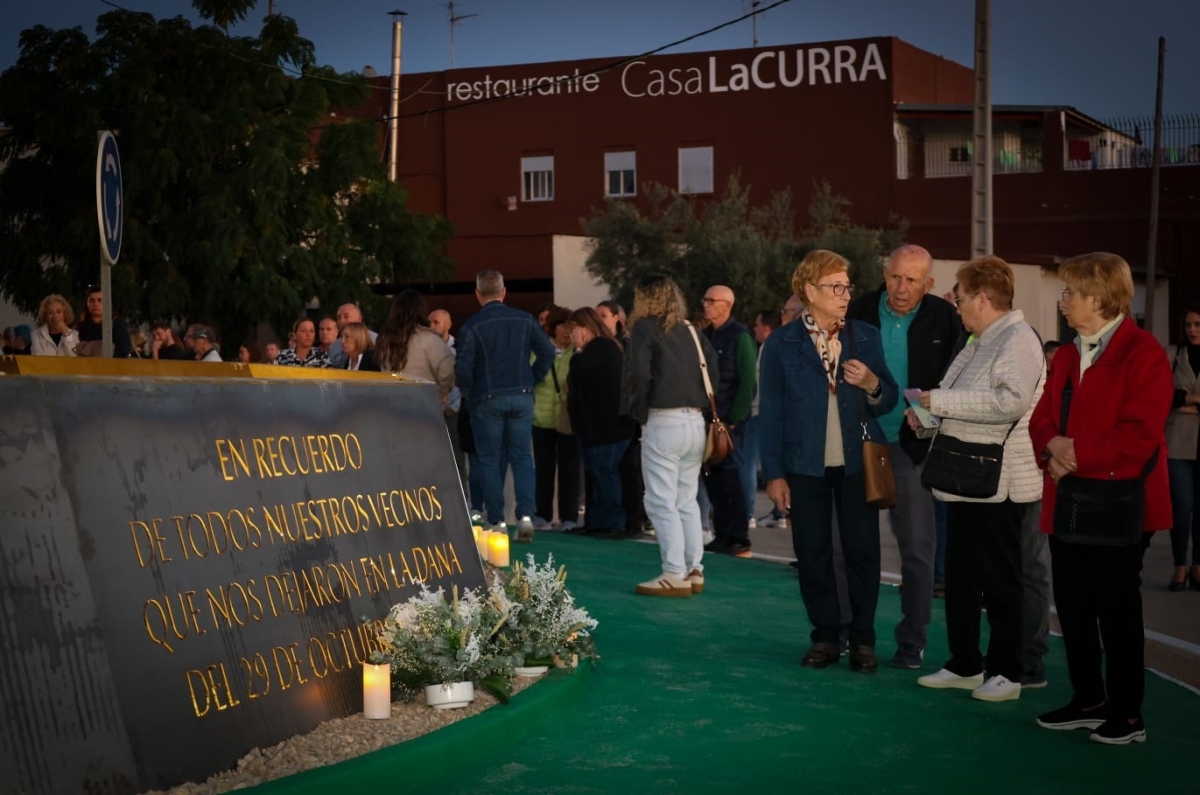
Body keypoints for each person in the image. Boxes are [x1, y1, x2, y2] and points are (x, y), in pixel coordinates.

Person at [1029, 252, 1173, 745]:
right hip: (1071, 499)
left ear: (1099, 296)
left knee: (1116, 609)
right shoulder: (1068, 355)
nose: (1063, 301)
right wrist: (1052, 446)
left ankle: (1128, 714)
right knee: (1072, 604)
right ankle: (1088, 699)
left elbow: (1141, 435)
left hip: (1122, 503)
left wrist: (1075, 454)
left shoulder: (1144, 353)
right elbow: (1040, 418)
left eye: (1070, 292)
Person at [760, 249, 898, 673]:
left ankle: (863, 641)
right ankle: (824, 637)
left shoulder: (864, 336)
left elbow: (888, 397)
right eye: (835, 287)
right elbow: (771, 414)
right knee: (812, 552)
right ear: (808, 291)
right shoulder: (782, 344)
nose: (844, 295)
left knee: (862, 552)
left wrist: (873, 383)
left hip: (858, 464)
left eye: (847, 286)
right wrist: (775, 474)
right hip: (804, 468)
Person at [914, 255, 1044, 703]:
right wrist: (926, 417)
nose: (957, 304)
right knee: (964, 576)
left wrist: (941, 402)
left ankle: (1007, 672)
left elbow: (1009, 402)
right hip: (968, 477)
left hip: (999, 480)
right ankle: (965, 662)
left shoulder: (1018, 340)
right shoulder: (979, 339)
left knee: (1002, 578)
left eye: (961, 297)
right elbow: (955, 400)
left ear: (984, 299)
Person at [846, 244, 963, 671]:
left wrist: (928, 419)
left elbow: (953, 377)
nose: (901, 287)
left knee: (917, 550)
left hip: (911, 448)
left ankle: (911, 642)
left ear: (928, 284)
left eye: (912, 280)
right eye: (895, 276)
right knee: (851, 545)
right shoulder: (857, 310)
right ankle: (851, 633)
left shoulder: (943, 316)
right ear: (885, 272)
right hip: (860, 441)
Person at [621, 275, 719, 597]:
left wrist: (638, 412)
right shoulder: (691, 329)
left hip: (664, 420)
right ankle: (695, 569)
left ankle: (673, 572)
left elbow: (637, 372)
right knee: (686, 500)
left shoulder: (646, 328)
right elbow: (713, 372)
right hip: (696, 422)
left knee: (661, 500)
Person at [455, 270, 555, 529]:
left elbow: (463, 369)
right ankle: (525, 518)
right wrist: (531, 379)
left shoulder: (471, 326)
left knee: (489, 459)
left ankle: (497, 520)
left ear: (477, 294)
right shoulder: (525, 319)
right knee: (522, 457)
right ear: (504, 291)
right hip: (521, 394)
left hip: (486, 398)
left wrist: (469, 392)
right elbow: (546, 352)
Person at [568, 307, 637, 537]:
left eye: (574, 328)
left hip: (607, 428)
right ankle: (598, 521)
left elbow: (579, 372)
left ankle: (613, 523)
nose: (571, 334)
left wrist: (578, 350)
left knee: (605, 474)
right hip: (598, 427)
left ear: (586, 327)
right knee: (597, 475)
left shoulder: (599, 348)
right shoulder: (605, 347)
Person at [700, 284, 757, 558]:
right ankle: (723, 534)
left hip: (729, 424)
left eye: (712, 300)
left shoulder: (740, 337)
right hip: (709, 421)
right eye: (705, 300)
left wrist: (734, 419)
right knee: (714, 480)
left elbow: (748, 381)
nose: (706, 304)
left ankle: (739, 537)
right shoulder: (705, 335)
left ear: (727, 305)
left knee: (732, 480)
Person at [531, 306, 580, 530]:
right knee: (544, 469)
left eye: (571, 326)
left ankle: (569, 517)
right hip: (541, 417)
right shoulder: (539, 350)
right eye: (563, 326)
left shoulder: (578, 352)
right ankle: (542, 514)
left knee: (569, 469)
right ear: (553, 327)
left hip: (567, 419)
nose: (567, 331)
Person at [1165, 306, 1200, 591]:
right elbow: (1164, 393)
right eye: (1189, 324)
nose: (1192, 330)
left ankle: (1198, 567)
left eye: (1198, 324)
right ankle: (1180, 566)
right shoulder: (1173, 354)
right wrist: (1192, 399)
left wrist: (1184, 403)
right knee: (1182, 505)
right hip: (1177, 442)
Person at [744, 308, 786, 529]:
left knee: (748, 464)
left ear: (767, 328)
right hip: (766, 412)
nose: (754, 329)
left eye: (757, 325)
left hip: (762, 413)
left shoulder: (771, 347)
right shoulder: (771, 347)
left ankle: (749, 512)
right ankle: (779, 513)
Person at [429, 308, 466, 483]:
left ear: (448, 325)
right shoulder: (426, 348)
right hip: (430, 410)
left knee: (456, 456)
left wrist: (455, 406)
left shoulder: (459, 348)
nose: (431, 326)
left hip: (452, 411)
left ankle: (462, 495)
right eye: (430, 322)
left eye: (436, 322)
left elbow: (463, 379)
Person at [75, 286, 132, 357]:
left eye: (99, 300)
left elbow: (123, 351)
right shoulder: (81, 327)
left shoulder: (116, 325)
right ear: (87, 304)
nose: (95, 304)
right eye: (92, 300)